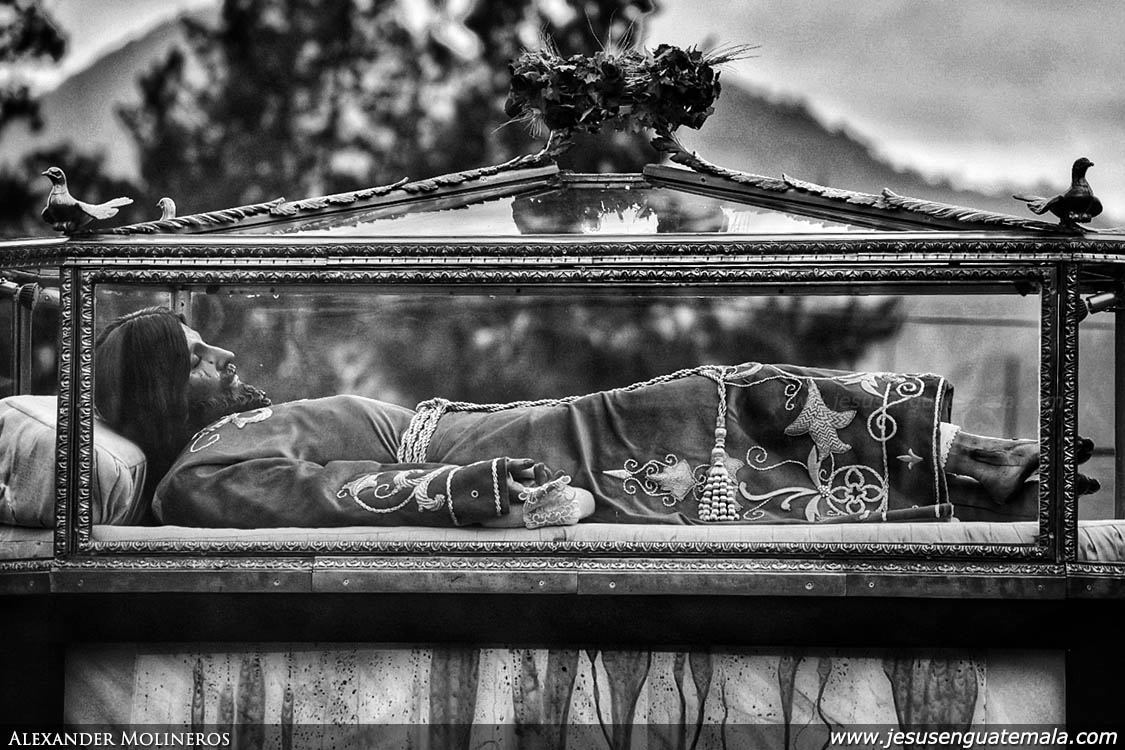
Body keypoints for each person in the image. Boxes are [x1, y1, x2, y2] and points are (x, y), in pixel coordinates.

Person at [95, 307, 1066, 529]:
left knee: (719, 394)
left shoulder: (220, 444)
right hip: (481, 448)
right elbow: (330, 495)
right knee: (715, 397)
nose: (226, 358)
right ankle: (977, 467)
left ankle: (976, 463)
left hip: (478, 425)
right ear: (163, 388)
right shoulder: (199, 479)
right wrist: (471, 489)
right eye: (199, 357)